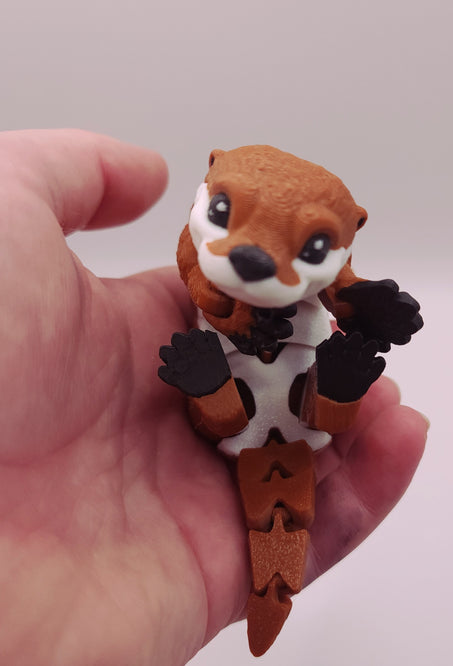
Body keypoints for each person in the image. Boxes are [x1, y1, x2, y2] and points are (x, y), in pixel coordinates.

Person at [0, 129, 428, 665]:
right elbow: (202, 285)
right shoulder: (195, 247)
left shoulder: (330, 272)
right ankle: (217, 387)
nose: (256, 257)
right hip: (238, 404)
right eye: (226, 212)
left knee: (322, 410)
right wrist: (238, 321)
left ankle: (333, 388)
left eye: (311, 246)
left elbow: (342, 290)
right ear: (210, 176)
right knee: (231, 412)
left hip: (304, 404)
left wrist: (367, 312)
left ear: (351, 232)